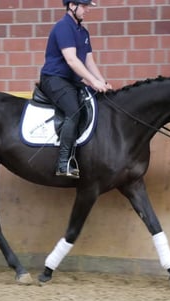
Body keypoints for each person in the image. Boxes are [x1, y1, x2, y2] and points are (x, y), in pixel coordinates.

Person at [39, 0, 112, 178]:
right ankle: (63, 162)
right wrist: (92, 81)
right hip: (54, 79)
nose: (87, 10)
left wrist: (102, 82)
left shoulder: (83, 31)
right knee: (73, 111)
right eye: (84, 6)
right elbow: (72, 60)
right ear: (72, 5)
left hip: (71, 81)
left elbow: (89, 61)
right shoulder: (63, 27)